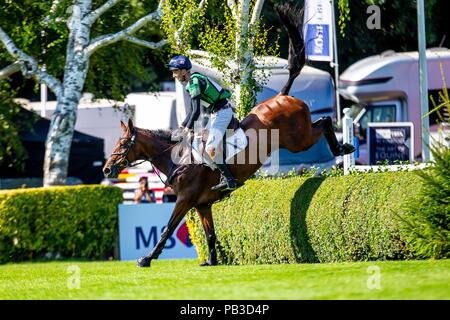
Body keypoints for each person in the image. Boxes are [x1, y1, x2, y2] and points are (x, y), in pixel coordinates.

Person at [168, 54, 237, 191]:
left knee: (210, 147)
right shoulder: (192, 82)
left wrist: (187, 129)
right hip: (215, 113)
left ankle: (229, 180)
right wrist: (182, 127)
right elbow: (192, 110)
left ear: (183, 71)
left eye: (175, 71)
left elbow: (197, 112)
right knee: (202, 144)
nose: (174, 75)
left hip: (222, 112)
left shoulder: (194, 82)